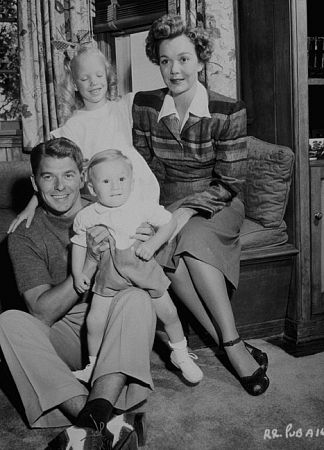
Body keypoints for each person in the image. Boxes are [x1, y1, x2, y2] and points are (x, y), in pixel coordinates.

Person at [131, 14, 270, 396]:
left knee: (188, 238)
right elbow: (143, 172)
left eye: (184, 59)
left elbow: (230, 182)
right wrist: (152, 216)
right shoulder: (144, 105)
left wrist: (182, 213)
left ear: (201, 59)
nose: (174, 70)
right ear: (156, 62)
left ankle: (230, 345)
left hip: (217, 200)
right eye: (164, 60)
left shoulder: (228, 109)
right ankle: (233, 344)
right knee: (165, 249)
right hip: (166, 199)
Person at [0, 138, 157, 449]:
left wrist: (146, 244)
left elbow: (155, 278)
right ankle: (105, 423)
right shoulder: (24, 234)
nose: (60, 186)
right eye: (48, 176)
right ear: (35, 182)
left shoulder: (116, 206)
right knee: (8, 322)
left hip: (114, 330)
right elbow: (42, 312)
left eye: (68, 175)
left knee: (136, 298)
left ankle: (89, 426)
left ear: (83, 176)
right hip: (66, 334)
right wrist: (87, 265)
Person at [71, 149, 203, 385]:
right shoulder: (87, 215)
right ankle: (93, 364)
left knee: (170, 314)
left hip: (143, 268)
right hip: (109, 274)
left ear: (131, 182)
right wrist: (77, 272)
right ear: (91, 188)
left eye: (122, 179)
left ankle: (180, 354)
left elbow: (169, 222)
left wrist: (152, 244)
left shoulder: (142, 206)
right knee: (94, 321)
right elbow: (79, 243)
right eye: (106, 181)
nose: (115, 187)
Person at [8, 44, 159, 233]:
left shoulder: (123, 107)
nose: (93, 83)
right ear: (74, 84)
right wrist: (31, 206)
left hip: (134, 186)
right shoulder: (73, 127)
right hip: (102, 197)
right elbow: (53, 171)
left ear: (107, 75)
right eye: (84, 78)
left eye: (98, 75)